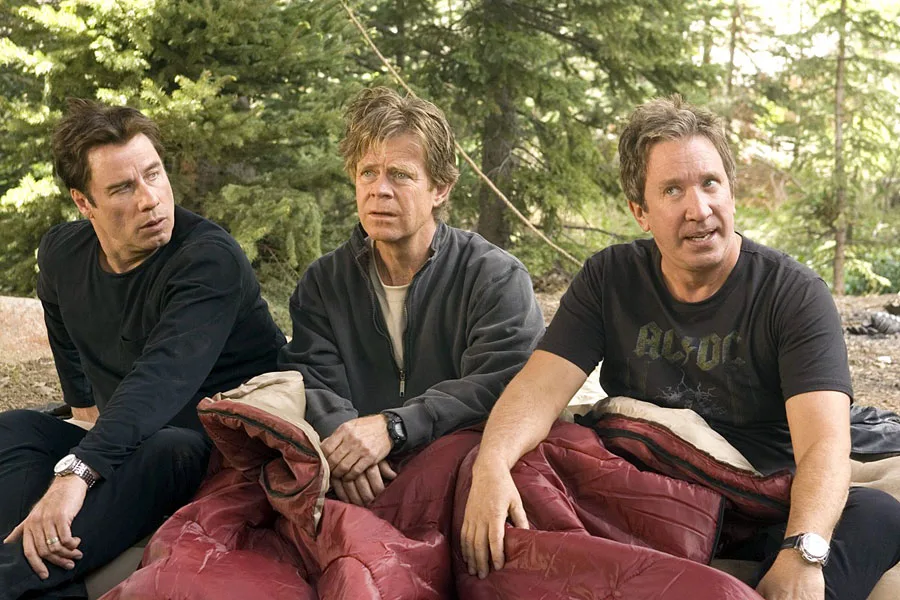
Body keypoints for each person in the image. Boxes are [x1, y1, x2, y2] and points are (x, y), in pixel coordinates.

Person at [460, 95, 900, 600]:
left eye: (710, 183)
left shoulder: (793, 294)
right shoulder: (610, 278)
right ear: (640, 212)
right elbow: (538, 390)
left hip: (760, 500)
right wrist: (491, 465)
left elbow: (824, 445)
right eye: (673, 190)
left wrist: (803, 552)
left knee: (878, 514)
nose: (699, 208)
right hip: (653, 501)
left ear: (731, 191)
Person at [0, 99, 286, 600]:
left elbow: (160, 378)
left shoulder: (208, 259)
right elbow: (60, 320)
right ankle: (36, 568)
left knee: (170, 446)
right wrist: (84, 410)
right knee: (15, 428)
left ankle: (15, 577)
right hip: (126, 441)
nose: (150, 199)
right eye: (122, 188)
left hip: (210, 449)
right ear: (83, 202)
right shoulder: (63, 253)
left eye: (154, 174)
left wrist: (76, 473)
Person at [278, 87, 544, 507]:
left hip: (460, 472)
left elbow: (501, 382)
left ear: (441, 188)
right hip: (357, 480)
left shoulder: (494, 276)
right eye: (368, 173)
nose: (379, 190)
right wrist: (348, 447)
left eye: (400, 175)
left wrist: (394, 427)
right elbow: (313, 379)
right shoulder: (325, 282)